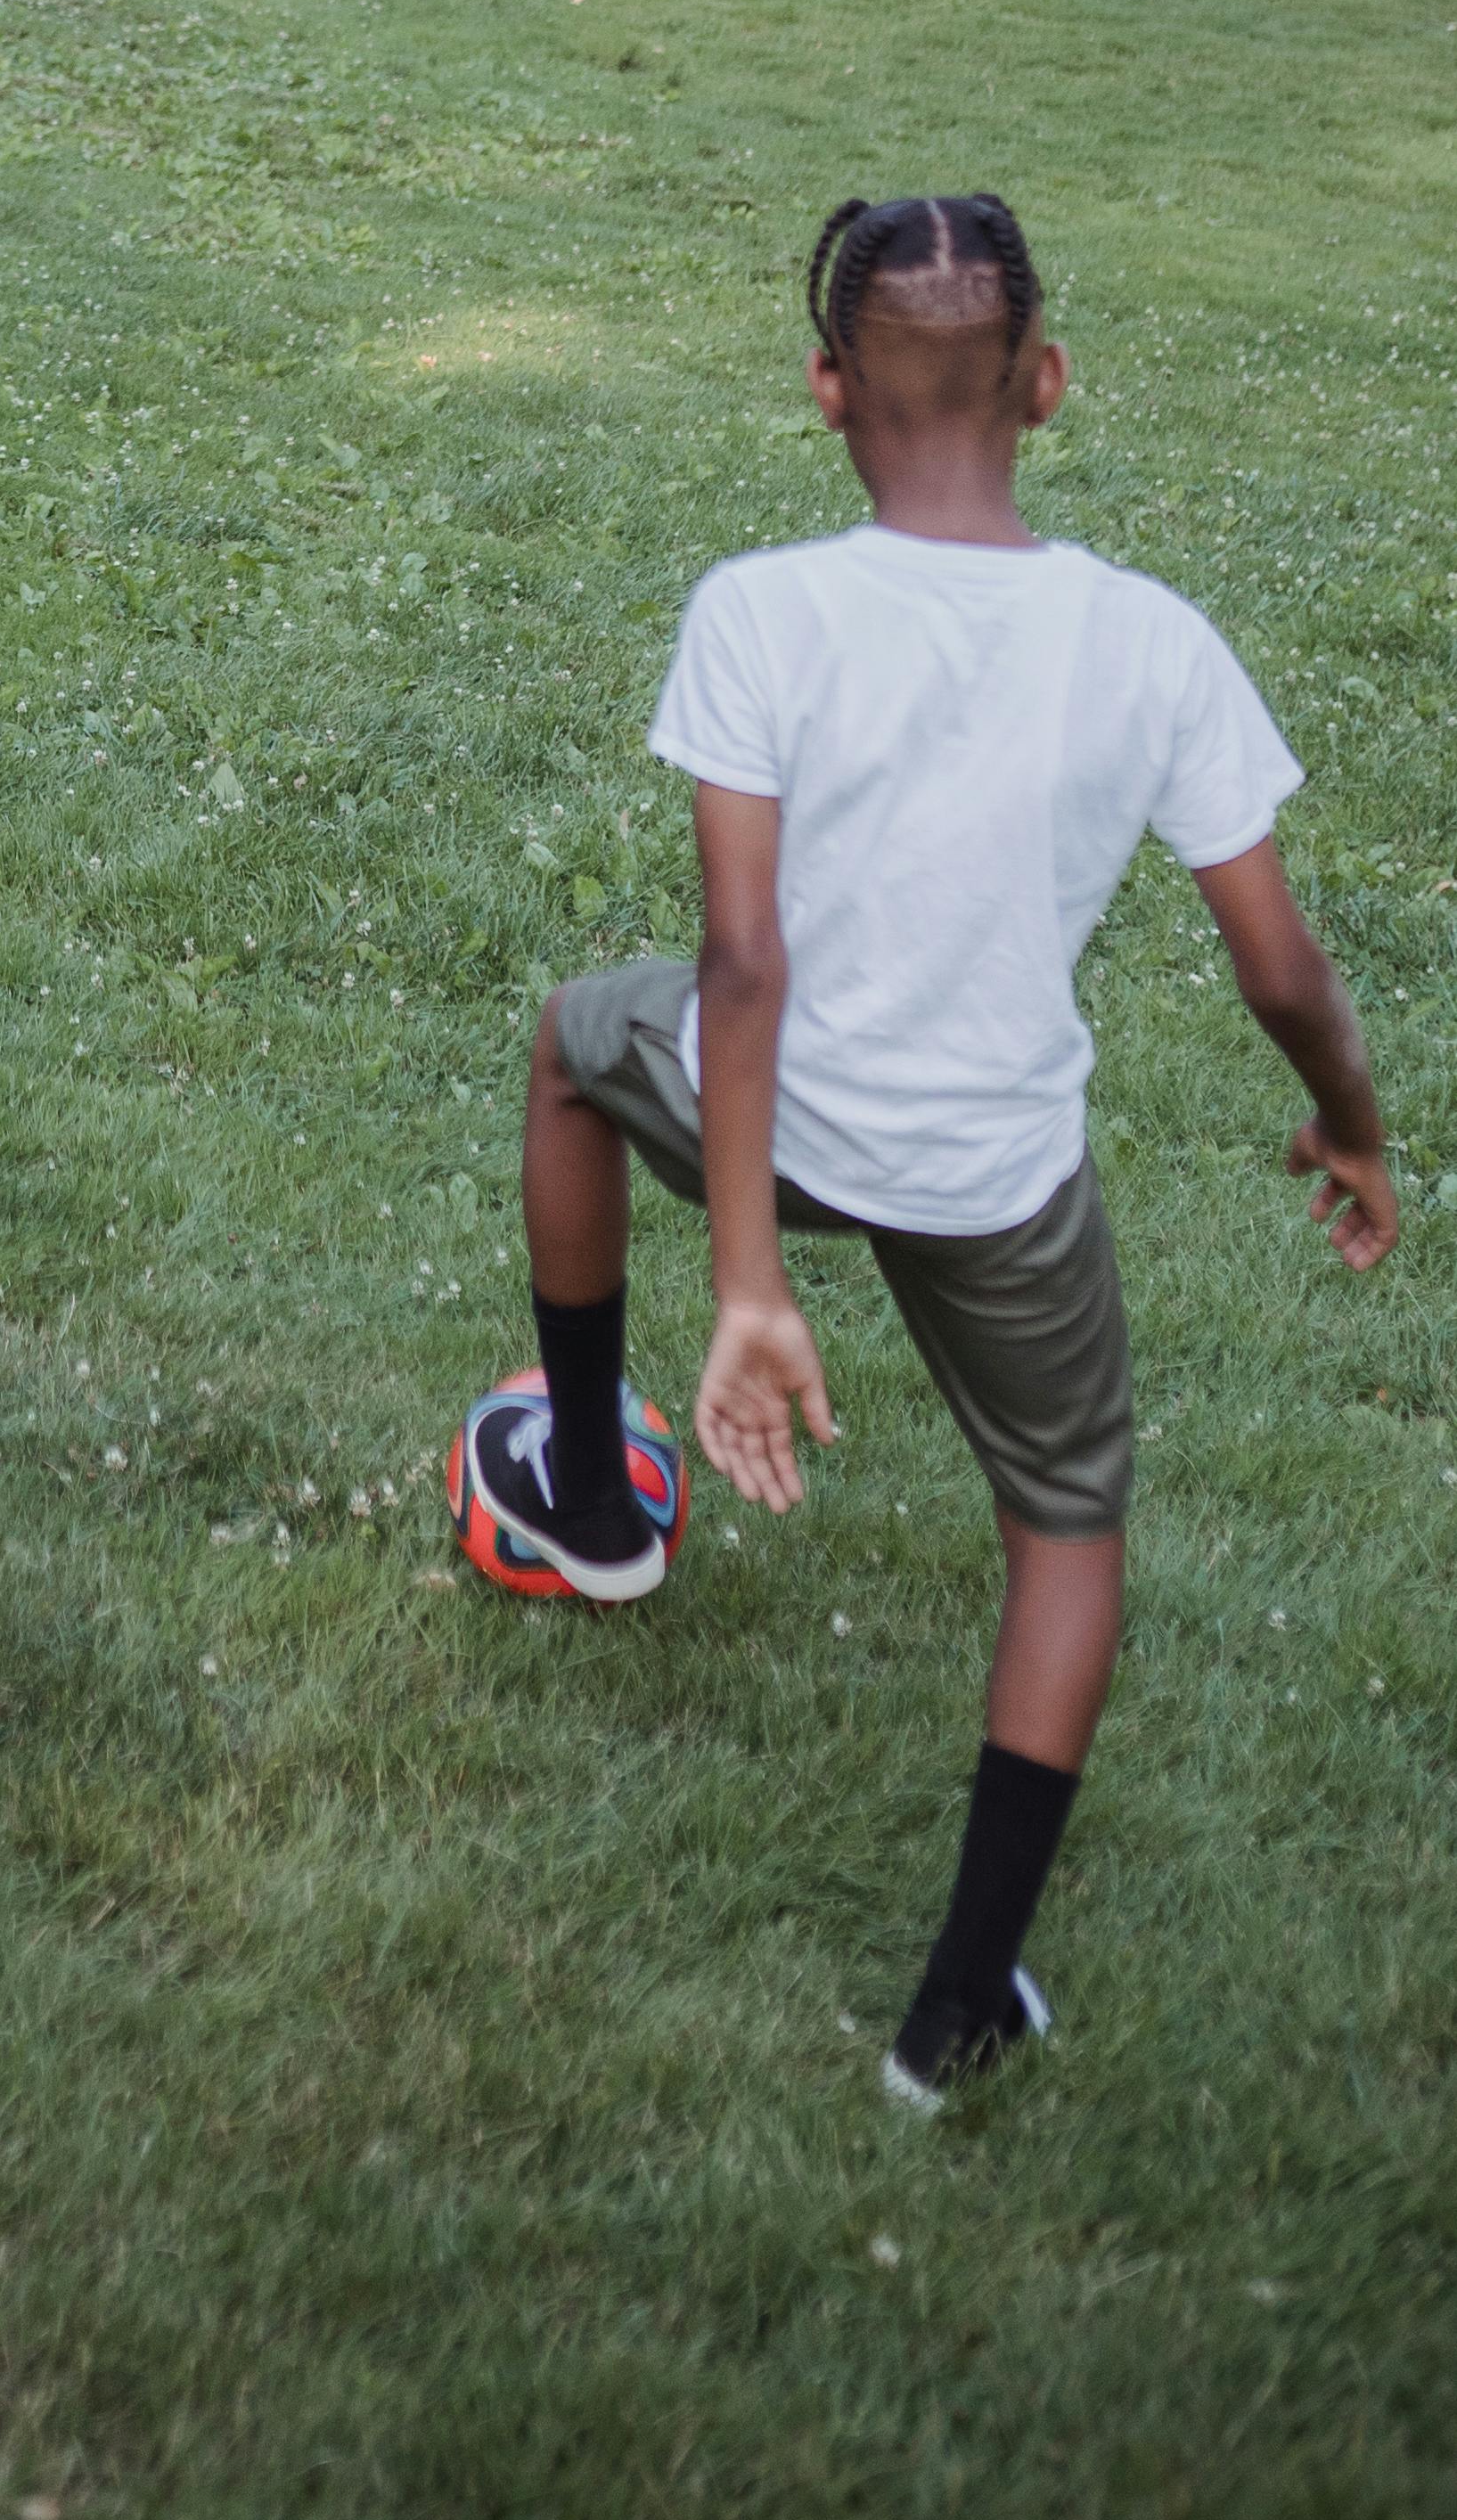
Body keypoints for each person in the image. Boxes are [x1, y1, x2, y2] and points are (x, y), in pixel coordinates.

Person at [462, 192, 1396, 2101]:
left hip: (775, 1116)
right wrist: (1351, 1122)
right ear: (1044, 387)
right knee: (1062, 1533)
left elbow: (735, 962)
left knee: (571, 1047)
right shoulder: (1148, 643)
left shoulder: (759, 608)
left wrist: (747, 1281)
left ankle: (583, 1502)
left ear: (822, 393)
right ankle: (955, 2010)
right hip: (995, 1184)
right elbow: (1280, 966)